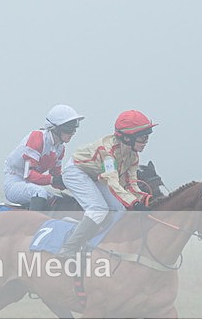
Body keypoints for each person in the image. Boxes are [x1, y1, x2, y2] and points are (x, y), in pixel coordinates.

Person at [58, 109, 157, 257]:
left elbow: (131, 184)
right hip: (76, 172)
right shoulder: (107, 152)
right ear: (128, 137)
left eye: (147, 138)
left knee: (120, 210)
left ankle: (99, 241)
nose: (146, 142)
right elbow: (113, 183)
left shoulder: (133, 156)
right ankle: (68, 249)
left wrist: (145, 199)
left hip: (97, 175)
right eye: (143, 138)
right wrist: (135, 204)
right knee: (98, 209)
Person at [3, 104, 84, 211]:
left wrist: (74, 185)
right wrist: (53, 180)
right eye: (69, 130)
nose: (72, 133)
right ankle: (33, 224)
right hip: (15, 182)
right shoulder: (37, 138)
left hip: (30, 185)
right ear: (56, 129)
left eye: (74, 130)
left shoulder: (60, 148)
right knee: (39, 193)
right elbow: (29, 175)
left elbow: (56, 176)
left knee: (57, 199)